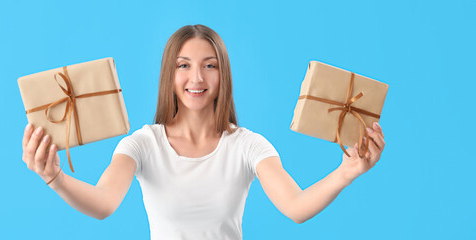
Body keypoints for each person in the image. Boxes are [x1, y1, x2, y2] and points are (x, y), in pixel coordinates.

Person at [21, 24, 386, 239]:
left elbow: (296, 207)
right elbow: (104, 204)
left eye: (209, 66)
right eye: (184, 65)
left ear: (222, 75)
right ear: (170, 74)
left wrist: (347, 172)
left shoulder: (248, 145)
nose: (196, 78)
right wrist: (56, 178)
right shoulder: (143, 144)